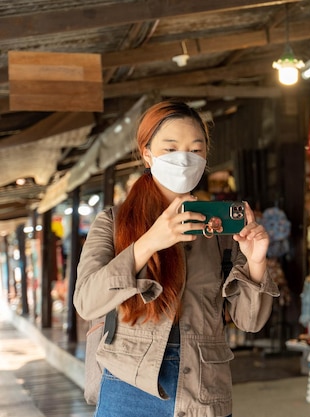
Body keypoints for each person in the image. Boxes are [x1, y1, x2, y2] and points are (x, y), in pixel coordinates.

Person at [73, 100, 279, 417]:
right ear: (147, 154)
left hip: (202, 387)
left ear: (205, 157)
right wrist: (150, 241)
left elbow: (250, 322)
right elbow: (86, 301)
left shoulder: (222, 232)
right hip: (128, 382)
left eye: (195, 150)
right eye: (170, 149)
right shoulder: (113, 223)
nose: (184, 159)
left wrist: (256, 263)